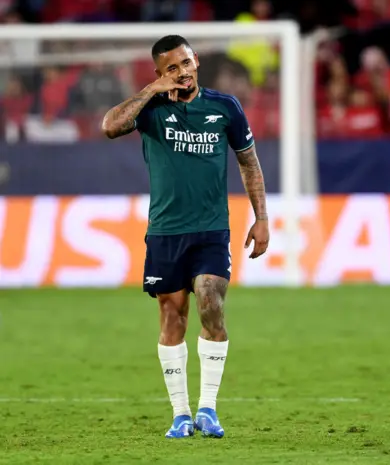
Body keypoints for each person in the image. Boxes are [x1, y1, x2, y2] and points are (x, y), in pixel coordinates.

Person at [101, 35, 270, 439]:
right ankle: (180, 414)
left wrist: (261, 217)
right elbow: (111, 126)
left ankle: (208, 409)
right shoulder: (151, 108)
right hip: (165, 231)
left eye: (186, 62)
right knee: (171, 315)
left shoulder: (224, 107)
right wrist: (149, 91)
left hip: (212, 228)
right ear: (161, 74)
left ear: (196, 62)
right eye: (172, 68)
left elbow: (248, 162)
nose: (183, 71)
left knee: (211, 302)